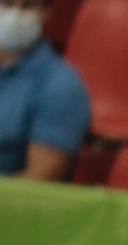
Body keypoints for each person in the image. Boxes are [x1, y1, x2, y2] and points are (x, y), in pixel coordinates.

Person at [0, 0, 90, 181]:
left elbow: (40, 179)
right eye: (7, 4)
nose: (15, 15)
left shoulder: (62, 86)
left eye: (29, 6)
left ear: (47, 13)